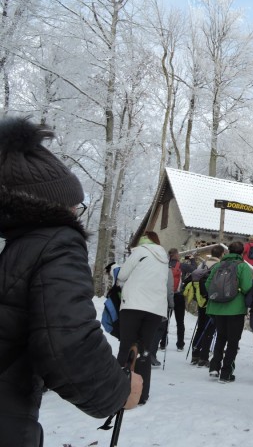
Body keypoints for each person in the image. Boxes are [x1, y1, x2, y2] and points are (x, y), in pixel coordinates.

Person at [0, 117, 142, 446]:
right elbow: (67, 342)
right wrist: (121, 391)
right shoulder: (57, 241)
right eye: (75, 206)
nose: (77, 214)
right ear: (56, 206)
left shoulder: (13, 243)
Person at [117, 230, 170, 405]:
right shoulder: (164, 258)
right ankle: (142, 394)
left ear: (143, 241)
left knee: (126, 346)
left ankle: (118, 391)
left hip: (133, 304)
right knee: (144, 350)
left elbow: (122, 276)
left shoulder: (140, 251)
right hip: (155, 309)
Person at [206, 241, 253, 382]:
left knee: (220, 337)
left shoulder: (219, 265)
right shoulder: (242, 266)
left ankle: (214, 367)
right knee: (233, 341)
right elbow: (246, 287)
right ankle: (226, 373)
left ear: (228, 251)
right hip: (235, 309)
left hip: (217, 308)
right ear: (242, 252)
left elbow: (208, 284)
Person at [186, 244, 225, 367]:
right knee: (210, 329)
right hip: (212, 300)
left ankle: (195, 354)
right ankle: (204, 357)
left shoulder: (203, 264)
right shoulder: (219, 266)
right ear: (222, 254)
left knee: (201, 326)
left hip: (200, 299)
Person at [163, 248, 186, 351]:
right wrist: (193, 259)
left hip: (167, 296)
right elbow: (194, 269)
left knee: (165, 320)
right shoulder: (181, 265)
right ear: (176, 255)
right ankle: (180, 344)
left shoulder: (165, 265)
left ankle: (163, 343)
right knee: (180, 321)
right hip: (179, 296)